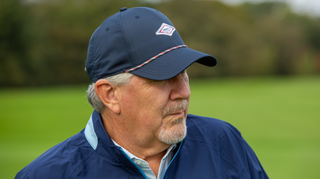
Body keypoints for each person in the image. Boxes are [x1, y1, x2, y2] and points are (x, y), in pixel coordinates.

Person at [15, 7, 269, 179]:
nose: (184, 92)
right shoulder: (48, 175)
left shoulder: (224, 143)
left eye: (184, 73)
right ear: (110, 95)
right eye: (164, 77)